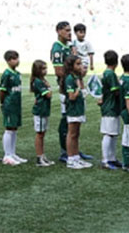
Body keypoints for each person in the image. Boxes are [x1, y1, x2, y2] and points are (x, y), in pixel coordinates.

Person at [49, 21, 76, 162]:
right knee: (66, 119)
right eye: (66, 30)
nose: (69, 33)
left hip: (71, 86)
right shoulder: (57, 48)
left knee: (73, 120)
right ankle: (64, 151)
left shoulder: (68, 47)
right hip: (65, 89)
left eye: (70, 30)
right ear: (58, 31)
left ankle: (73, 150)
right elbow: (59, 71)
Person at [63, 55, 90, 170]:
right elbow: (72, 97)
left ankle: (76, 157)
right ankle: (70, 159)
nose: (81, 66)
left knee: (76, 134)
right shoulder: (69, 78)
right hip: (73, 110)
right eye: (78, 64)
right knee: (72, 133)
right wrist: (78, 88)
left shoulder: (76, 77)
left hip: (79, 108)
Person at [97, 50, 123, 170]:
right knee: (108, 134)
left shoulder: (107, 73)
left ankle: (112, 158)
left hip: (111, 107)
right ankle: (105, 160)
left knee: (113, 134)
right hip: (110, 107)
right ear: (117, 62)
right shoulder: (111, 74)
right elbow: (116, 91)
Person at [29, 59, 53, 167]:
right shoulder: (38, 81)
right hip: (40, 111)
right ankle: (39, 157)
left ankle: (42, 155)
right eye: (43, 69)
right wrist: (49, 87)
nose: (45, 71)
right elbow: (48, 95)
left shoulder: (42, 80)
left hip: (44, 110)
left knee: (42, 133)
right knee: (39, 134)